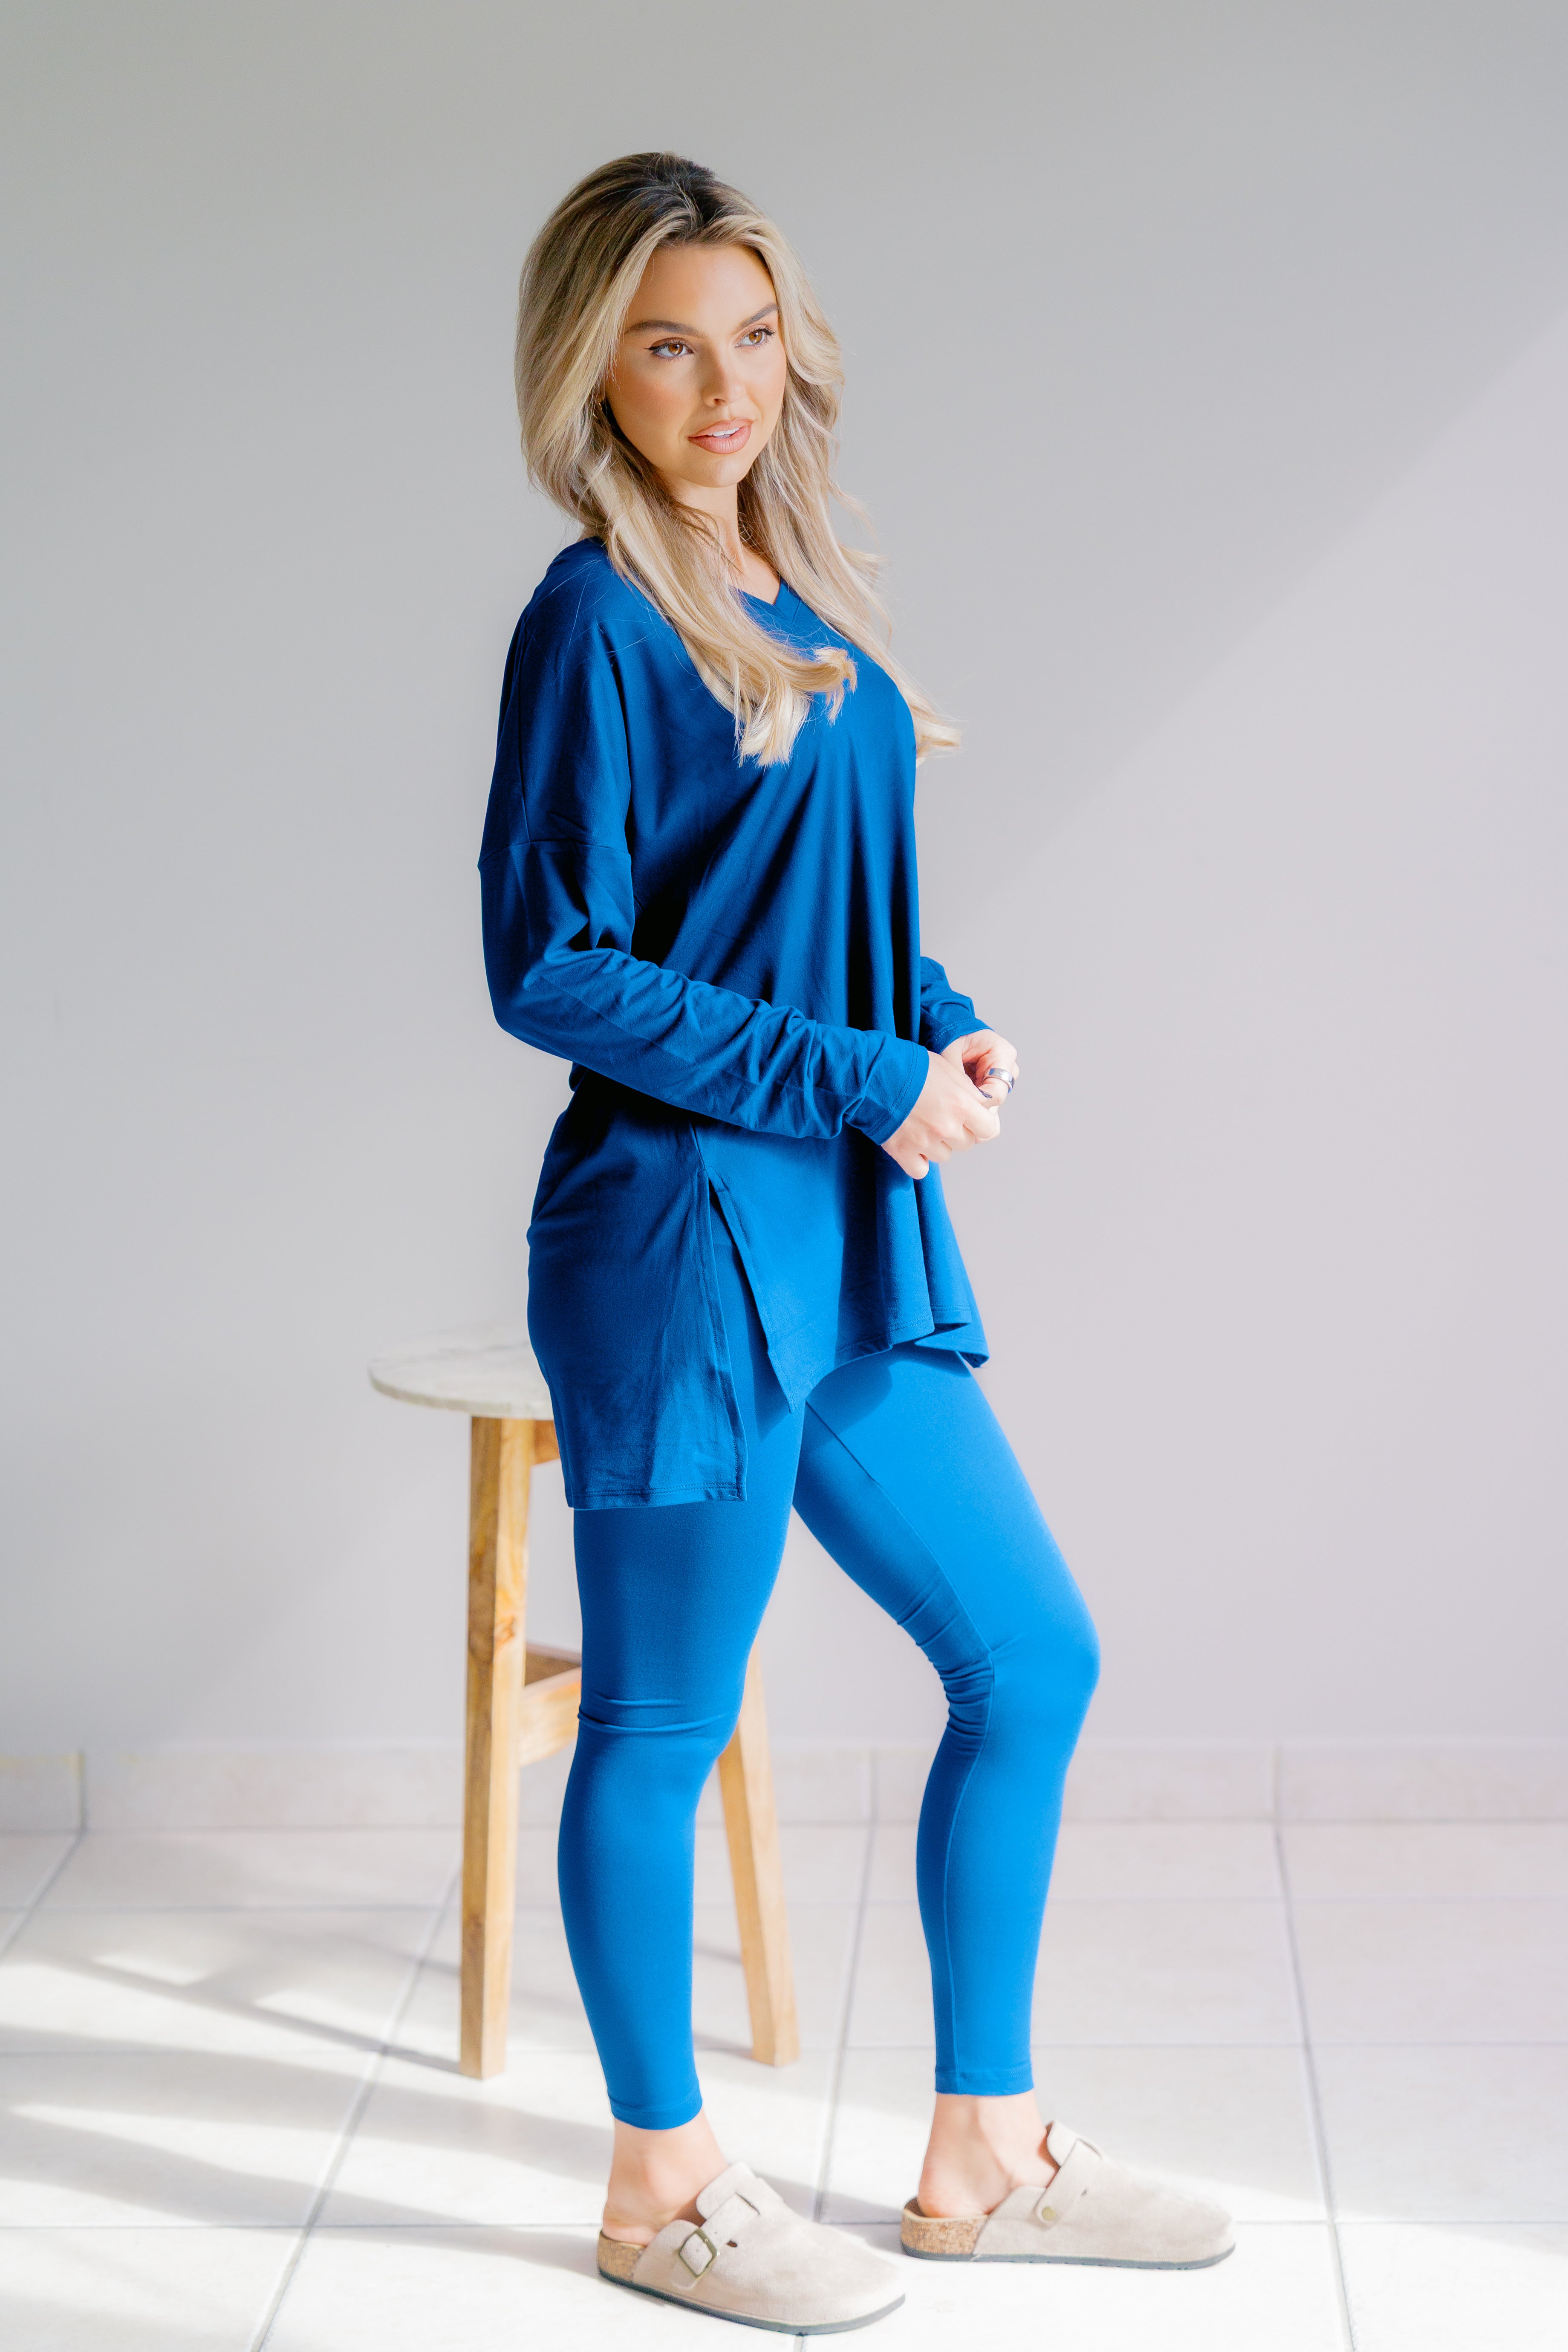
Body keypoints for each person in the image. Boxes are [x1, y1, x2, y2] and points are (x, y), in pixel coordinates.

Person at [480, 151, 1233, 2335]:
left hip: (848, 1227)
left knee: (1033, 1656)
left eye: (746, 332)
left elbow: (809, 927)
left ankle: (980, 2153)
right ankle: (657, 2189)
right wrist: (855, 1072)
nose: (721, 383)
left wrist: (933, 1023)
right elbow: (553, 966)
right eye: (663, 343)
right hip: (682, 1242)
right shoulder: (596, 615)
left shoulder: (788, 595)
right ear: (589, 371)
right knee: (656, 1715)